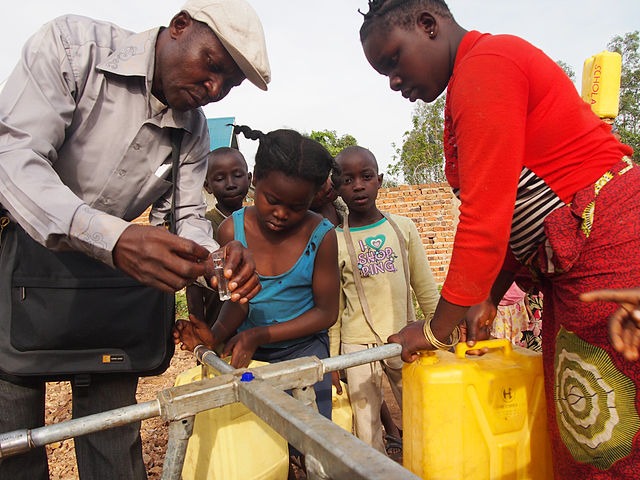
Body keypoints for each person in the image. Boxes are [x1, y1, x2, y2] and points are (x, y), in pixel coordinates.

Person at [359, 1, 639, 478]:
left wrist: (432, 331)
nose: (393, 80)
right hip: (575, 267)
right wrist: (487, 295)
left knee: (613, 423)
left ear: (428, 25)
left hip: (610, 250)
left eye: (393, 60)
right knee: (584, 415)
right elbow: (510, 217)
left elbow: (484, 221)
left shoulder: (485, 67)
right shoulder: (471, 81)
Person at [0, 1, 269, 478]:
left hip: (108, 283)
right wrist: (116, 238)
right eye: (212, 67)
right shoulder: (73, 48)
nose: (214, 90)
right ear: (180, 26)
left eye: (229, 84)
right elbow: (15, 159)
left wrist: (213, 263)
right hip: (19, 259)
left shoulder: (194, 128)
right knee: (13, 439)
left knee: (111, 433)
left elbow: (186, 216)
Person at [174, 125, 339, 423]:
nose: (281, 213)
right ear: (257, 180)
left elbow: (326, 313)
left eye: (297, 207)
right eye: (273, 201)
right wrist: (216, 335)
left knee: (313, 435)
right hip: (251, 351)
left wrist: (259, 333)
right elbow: (238, 300)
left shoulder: (322, 236)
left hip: (305, 350)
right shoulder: (231, 231)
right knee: (260, 439)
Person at [329, 145, 439, 457]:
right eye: (348, 180)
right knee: (366, 427)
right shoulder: (335, 239)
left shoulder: (403, 227)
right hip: (357, 346)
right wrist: (334, 359)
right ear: (337, 188)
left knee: (421, 412)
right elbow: (336, 306)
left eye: (365, 177)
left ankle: (427, 466)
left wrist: (438, 335)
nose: (358, 185)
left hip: (405, 338)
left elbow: (424, 286)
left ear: (379, 180)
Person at [186, 147, 252, 327]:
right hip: (218, 326)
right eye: (220, 179)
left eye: (237, 175)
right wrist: (198, 326)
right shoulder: (202, 228)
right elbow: (194, 286)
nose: (230, 184)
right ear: (207, 185)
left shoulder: (260, 223)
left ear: (249, 178)